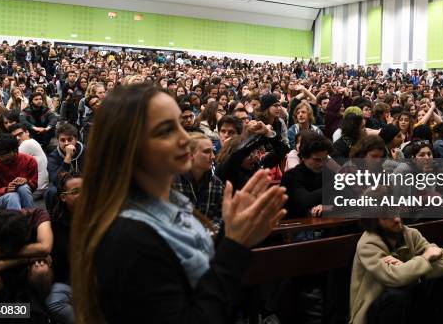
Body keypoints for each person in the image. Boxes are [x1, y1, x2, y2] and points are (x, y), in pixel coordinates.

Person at [70, 83, 288, 324]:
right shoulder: (127, 238)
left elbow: (206, 282)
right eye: (166, 130)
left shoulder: (173, 204)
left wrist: (232, 229)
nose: (185, 137)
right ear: (128, 146)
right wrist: (235, 245)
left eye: (179, 124)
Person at [349, 216, 443, 324]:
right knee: (398, 296)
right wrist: (424, 259)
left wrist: (406, 268)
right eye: (387, 217)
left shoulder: (410, 233)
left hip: (408, 297)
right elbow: (394, 278)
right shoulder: (368, 244)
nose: (396, 219)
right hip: (378, 308)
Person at [47, 172, 81, 324]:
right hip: (69, 282)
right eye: (75, 192)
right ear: (63, 197)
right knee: (54, 303)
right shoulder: (53, 225)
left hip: (101, 280)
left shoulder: (101, 216)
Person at [172, 132, 224, 228]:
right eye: (207, 151)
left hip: (208, 239)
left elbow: (221, 218)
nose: (213, 156)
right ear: (190, 154)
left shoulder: (217, 184)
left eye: (212, 151)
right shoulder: (173, 181)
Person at [281, 131, 333, 218]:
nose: (322, 164)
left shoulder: (328, 173)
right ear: (304, 157)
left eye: (325, 159)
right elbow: (306, 200)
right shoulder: (291, 177)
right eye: (317, 160)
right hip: (295, 226)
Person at [0, 134, 37, 212]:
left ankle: (30, 216)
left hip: (22, 194)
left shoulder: (29, 161)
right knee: (12, 196)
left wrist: (26, 181)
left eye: (4, 154)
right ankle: (17, 222)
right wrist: (6, 190)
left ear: (16, 151)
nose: (1, 158)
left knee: (24, 188)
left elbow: (34, 185)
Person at [46, 124, 85, 212]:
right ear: (58, 141)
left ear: (76, 140)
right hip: (65, 187)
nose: (66, 143)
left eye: (70, 139)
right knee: (51, 192)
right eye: (62, 140)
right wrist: (67, 158)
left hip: (84, 184)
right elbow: (56, 181)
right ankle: (54, 218)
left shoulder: (86, 151)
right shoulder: (53, 156)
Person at [9, 123, 50, 199]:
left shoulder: (26, 144)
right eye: (14, 137)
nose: (17, 138)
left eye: (20, 134)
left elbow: (11, 165)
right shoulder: (32, 141)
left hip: (35, 189)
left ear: (27, 132)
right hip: (41, 187)